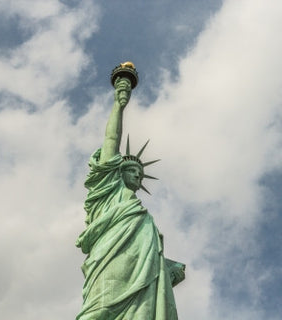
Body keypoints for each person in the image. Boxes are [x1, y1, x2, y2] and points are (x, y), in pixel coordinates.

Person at [75, 71, 185, 319]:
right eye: (133, 170)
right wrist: (119, 103)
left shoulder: (141, 214)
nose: (138, 176)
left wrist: (166, 268)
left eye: (141, 174)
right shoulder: (108, 192)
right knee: (99, 310)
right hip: (109, 259)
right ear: (117, 172)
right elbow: (111, 139)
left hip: (143, 267)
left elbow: (150, 258)